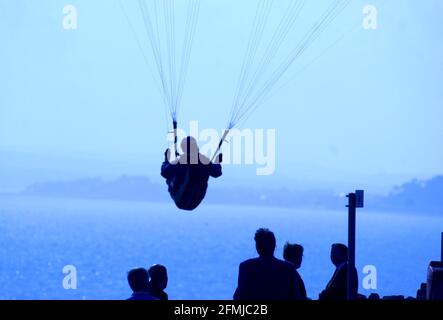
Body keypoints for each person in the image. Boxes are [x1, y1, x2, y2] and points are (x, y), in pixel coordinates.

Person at [233, 228, 298, 300]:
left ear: (257, 247)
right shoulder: (288, 269)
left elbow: (239, 297)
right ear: (274, 246)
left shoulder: (246, 267)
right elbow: (295, 296)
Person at [161, 136, 222, 211]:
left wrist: (167, 160)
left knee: (170, 176)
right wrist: (217, 162)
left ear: (183, 149)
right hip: (195, 201)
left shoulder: (179, 162)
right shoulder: (204, 161)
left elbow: (164, 173)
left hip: (180, 200)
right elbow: (217, 172)